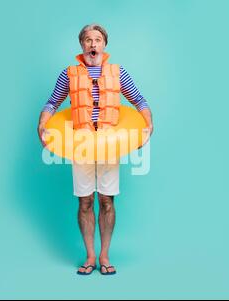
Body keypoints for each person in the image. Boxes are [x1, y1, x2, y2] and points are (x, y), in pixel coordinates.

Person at [37, 24, 153, 275]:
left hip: (110, 143)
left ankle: (105, 256)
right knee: (86, 201)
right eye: (88, 40)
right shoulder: (68, 74)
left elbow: (139, 100)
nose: (93, 44)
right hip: (81, 143)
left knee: (107, 201)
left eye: (97, 39)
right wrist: (43, 124)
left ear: (104, 44)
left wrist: (148, 124)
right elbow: (52, 102)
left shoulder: (118, 72)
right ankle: (90, 256)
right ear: (81, 45)